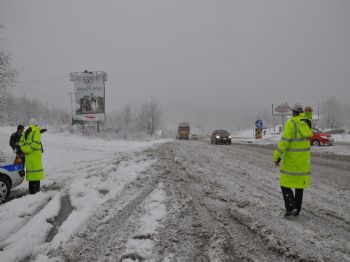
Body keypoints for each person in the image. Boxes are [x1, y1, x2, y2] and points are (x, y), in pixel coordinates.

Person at [273, 103, 313, 217]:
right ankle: (297, 208)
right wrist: (309, 113)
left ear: (293, 112)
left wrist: (277, 156)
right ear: (301, 112)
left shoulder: (291, 123)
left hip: (291, 162)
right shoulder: (307, 123)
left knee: (284, 184)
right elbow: (307, 120)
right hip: (303, 164)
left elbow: (284, 142)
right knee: (299, 186)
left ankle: (290, 207)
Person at [19, 118, 45, 194]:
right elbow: (35, 144)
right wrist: (29, 149)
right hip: (35, 156)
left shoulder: (26, 132)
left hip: (28, 156)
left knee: (31, 174)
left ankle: (31, 190)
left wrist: (25, 149)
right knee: (36, 173)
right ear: (36, 124)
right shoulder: (36, 131)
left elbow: (21, 143)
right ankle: (36, 191)